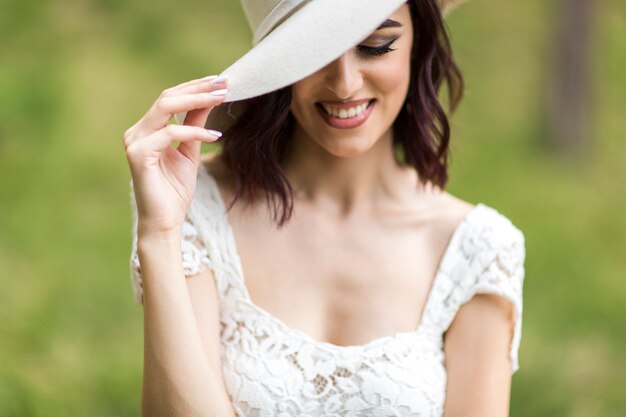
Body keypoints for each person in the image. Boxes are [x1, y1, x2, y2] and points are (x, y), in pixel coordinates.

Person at [124, 0, 526, 415]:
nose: (345, 84)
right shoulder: (195, 207)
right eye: (314, 52)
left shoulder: (478, 249)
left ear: (418, 43)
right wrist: (159, 237)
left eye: (376, 46)